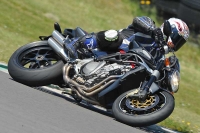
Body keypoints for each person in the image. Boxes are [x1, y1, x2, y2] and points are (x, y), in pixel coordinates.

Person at [64, 16, 189, 59]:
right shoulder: (150, 26)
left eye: (180, 43)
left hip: (118, 61)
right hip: (114, 45)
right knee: (115, 37)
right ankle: (76, 43)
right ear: (170, 30)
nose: (176, 44)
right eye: (177, 39)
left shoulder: (159, 55)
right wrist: (152, 29)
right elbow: (138, 20)